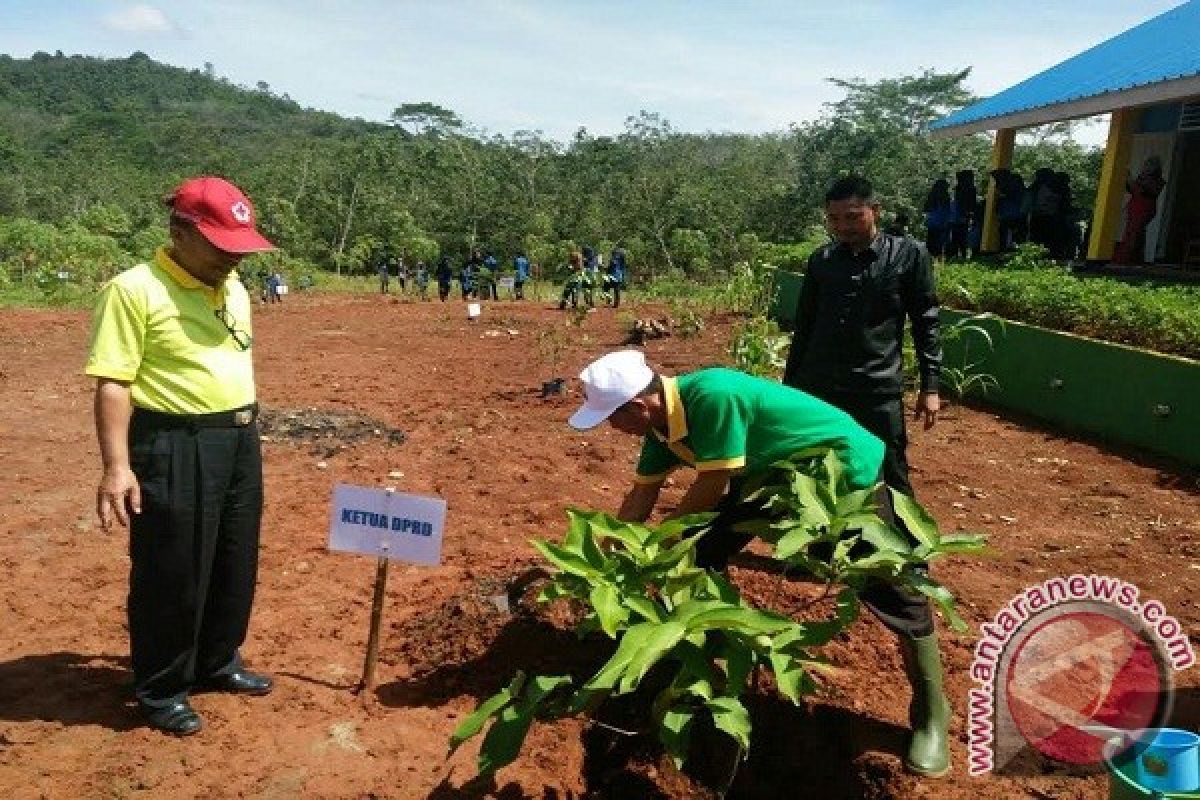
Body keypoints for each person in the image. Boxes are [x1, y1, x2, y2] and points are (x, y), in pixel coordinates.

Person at [569, 350, 951, 778]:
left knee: (888, 584)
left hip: (837, 472)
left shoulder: (713, 396)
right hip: (768, 476)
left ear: (640, 406)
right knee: (704, 551)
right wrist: (610, 557)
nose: (612, 430)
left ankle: (931, 713)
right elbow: (640, 498)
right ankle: (703, 647)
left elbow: (711, 485)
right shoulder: (661, 431)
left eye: (612, 419)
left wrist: (660, 544)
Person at [85, 176, 276, 736]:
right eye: (222, 246)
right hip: (174, 441)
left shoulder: (234, 288)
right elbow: (113, 383)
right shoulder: (133, 290)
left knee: (233, 559)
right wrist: (116, 467)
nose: (232, 260)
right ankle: (162, 686)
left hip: (238, 437)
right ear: (181, 231)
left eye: (240, 248)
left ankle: (218, 661)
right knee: (173, 569)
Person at [783, 175, 942, 500]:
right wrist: (790, 390)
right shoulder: (821, 261)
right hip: (820, 385)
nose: (843, 226)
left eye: (853, 216)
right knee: (817, 467)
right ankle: (825, 544)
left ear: (875, 211)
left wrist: (931, 386)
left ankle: (906, 545)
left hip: (875, 387)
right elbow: (805, 327)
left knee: (890, 469)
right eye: (834, 218)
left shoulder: (908, 256)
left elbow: (926, 321)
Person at [1113, 156, 1166, 266]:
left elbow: (1145, 191)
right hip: (1135, 207)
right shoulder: (1142, 177)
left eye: (1150, 165)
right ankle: (1133, 260)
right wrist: (1127, 180)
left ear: (1156, 168)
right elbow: (1132, 190)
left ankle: (1127, 259)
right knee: (1135, 233)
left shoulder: (1157, 180)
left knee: (1134, 233)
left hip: (1144, 209)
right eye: (1146, 164)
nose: (1146, 167)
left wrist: (1131, 180)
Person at [948, 170, 977, 260]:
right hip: (964, 215)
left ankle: (955, 254)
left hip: (956, 216)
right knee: (963, 235)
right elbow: (971, 203)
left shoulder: (958, 188)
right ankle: (963, 254)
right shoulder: (971, 189)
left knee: (955, 236)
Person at [922, 179, 953, 261]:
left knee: (931, 242)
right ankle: (939, 260)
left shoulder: (932, 195)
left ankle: (929, 259)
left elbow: (926, 209)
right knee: (940, 243)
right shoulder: (945, 197)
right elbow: (948, 211)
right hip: (942, 223)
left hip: (932, 223)